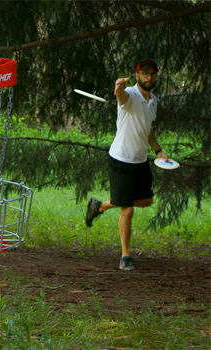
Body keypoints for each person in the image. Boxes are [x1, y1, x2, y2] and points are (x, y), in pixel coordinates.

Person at [85, 58, 168, 271]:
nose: (149, 77)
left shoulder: (153, 101)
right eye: (145, 73)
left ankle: (100, 206)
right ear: (138, 75)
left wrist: (158, 151)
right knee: (128, 209)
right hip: (121, 159)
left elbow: (147, 129)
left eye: (153, 74)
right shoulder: (129, 95)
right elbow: (121, 96)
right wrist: (118, 86)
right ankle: (125, 256)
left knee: (146, 201)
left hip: (140, 161)